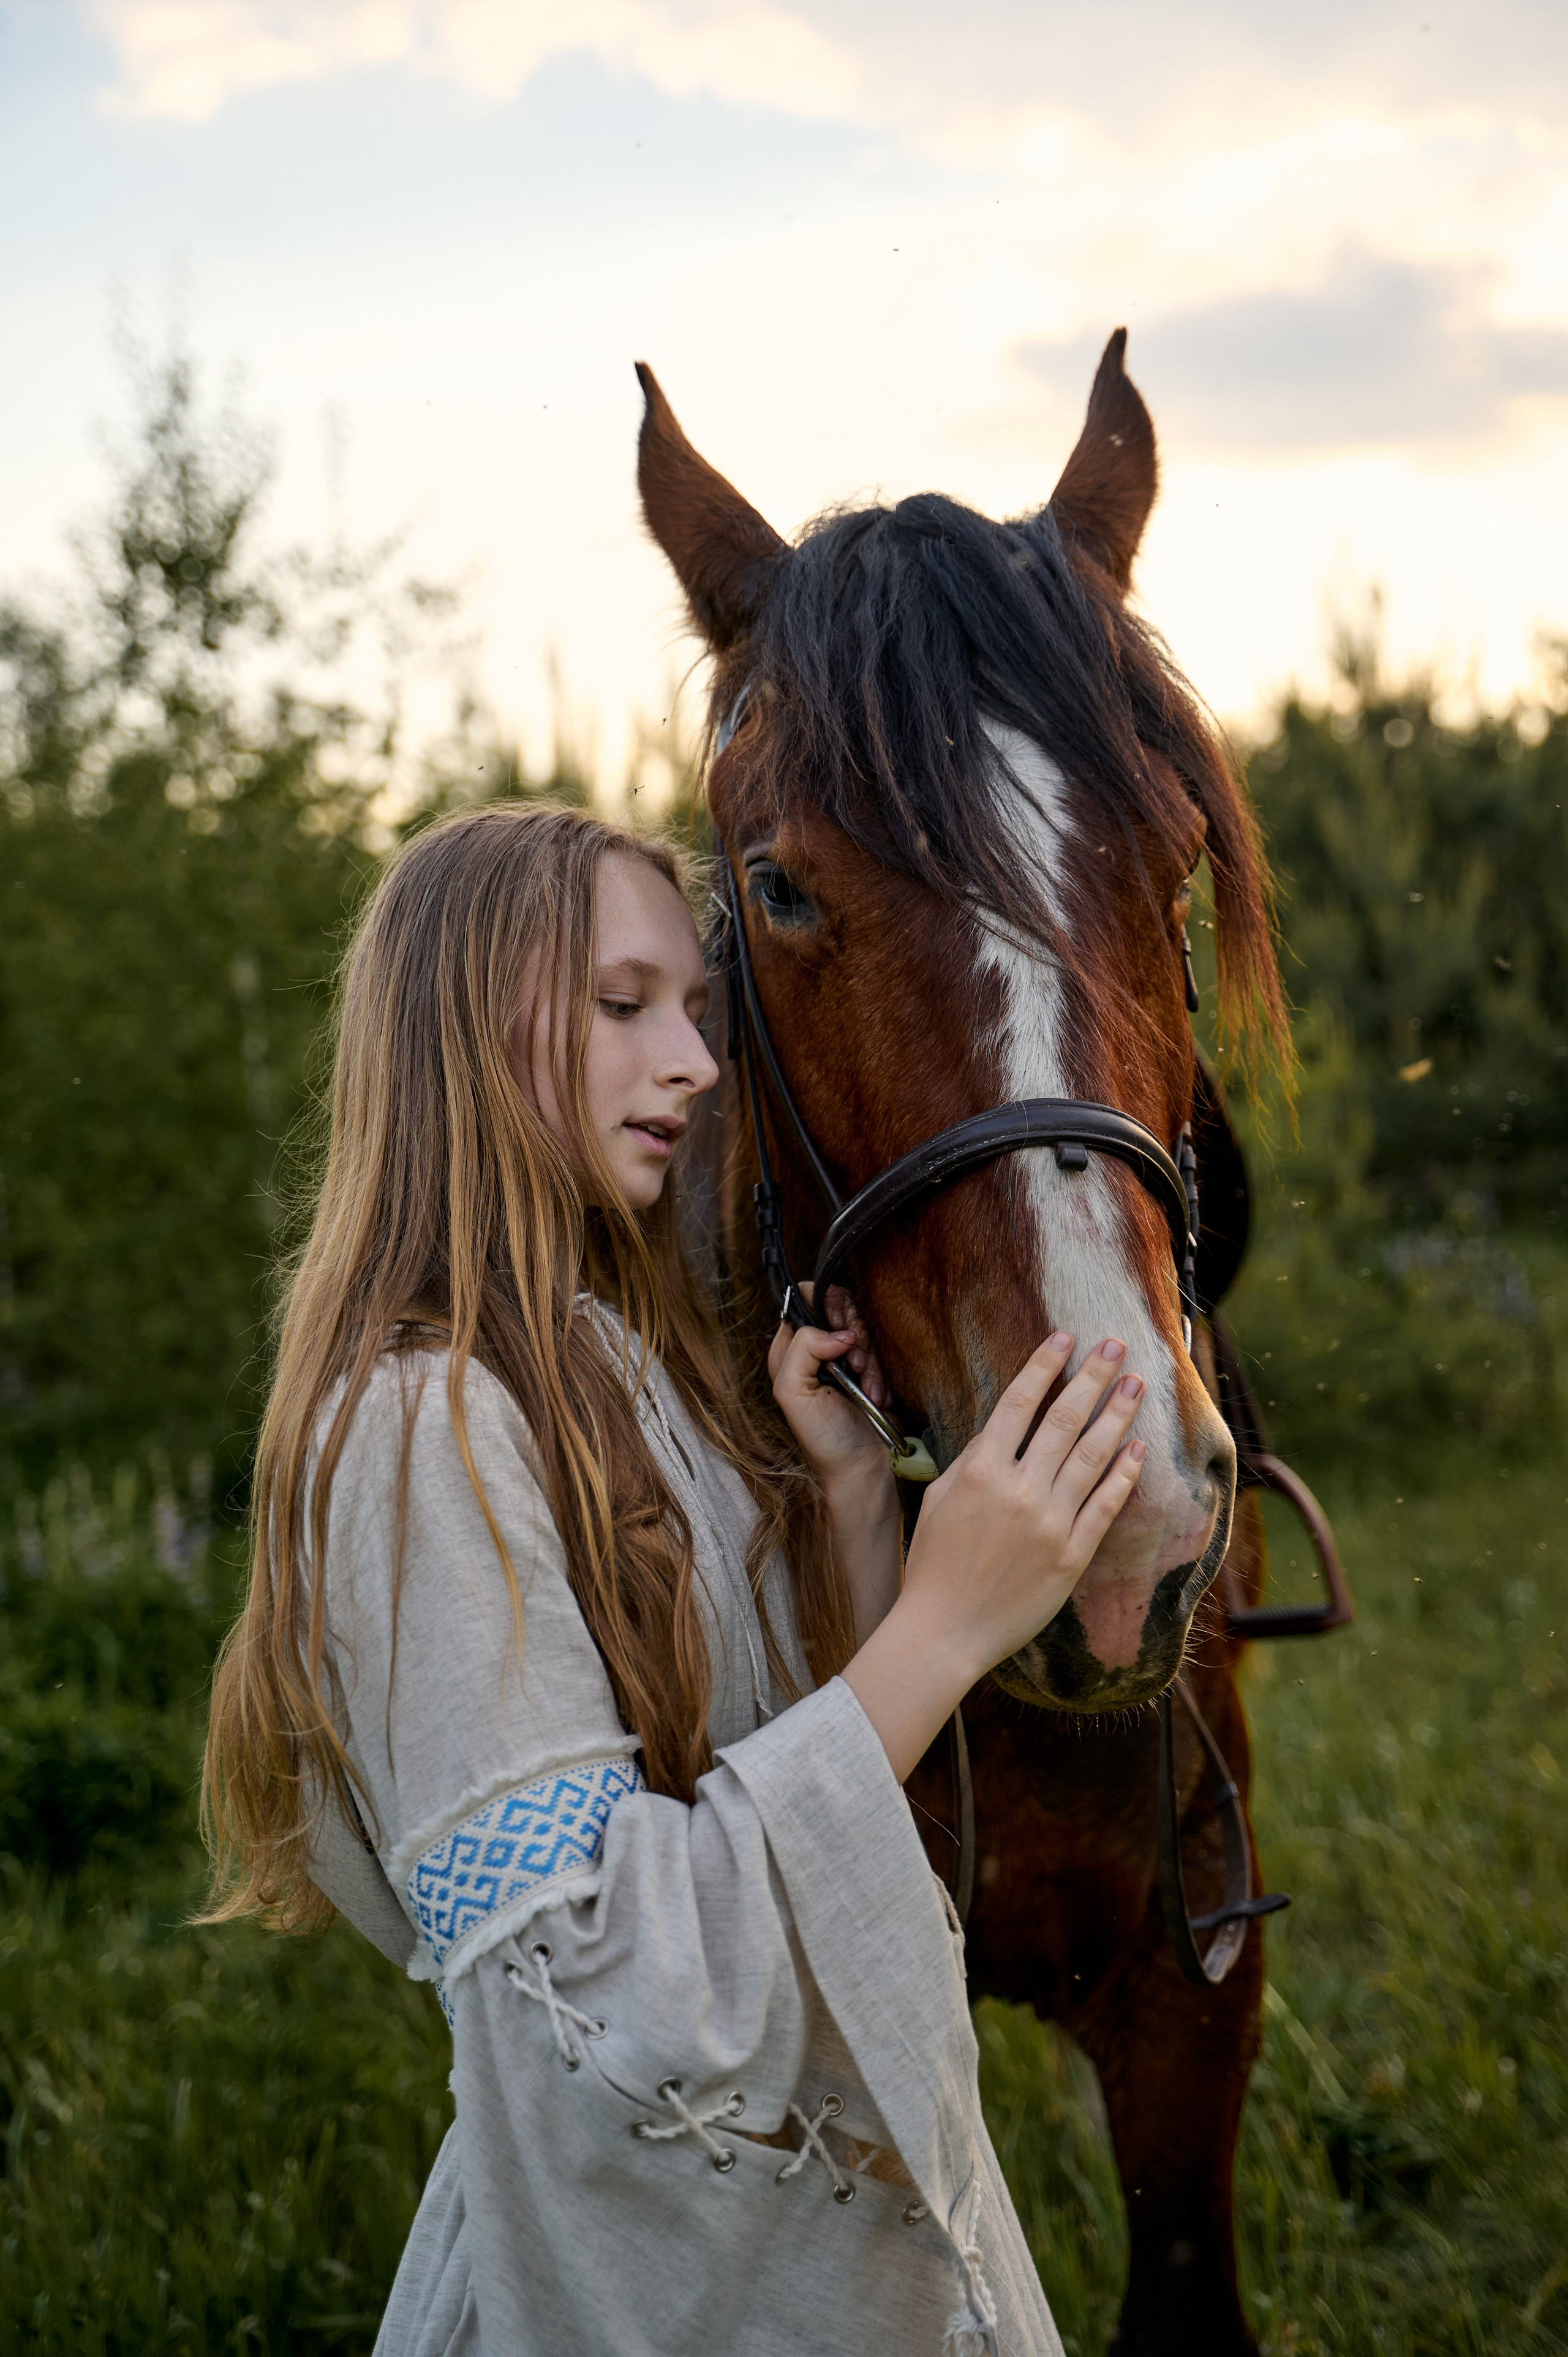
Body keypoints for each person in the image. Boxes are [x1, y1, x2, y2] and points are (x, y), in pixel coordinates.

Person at [202, 801, 1148, 2357]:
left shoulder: (612, 1364)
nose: (699, 1065)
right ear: (462, 1032)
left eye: (693, 1014)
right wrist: (944, 1617)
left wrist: (851, 1512)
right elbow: (594, 2008)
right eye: (622, 1005)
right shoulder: (410, 1430)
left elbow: (761, 1762)